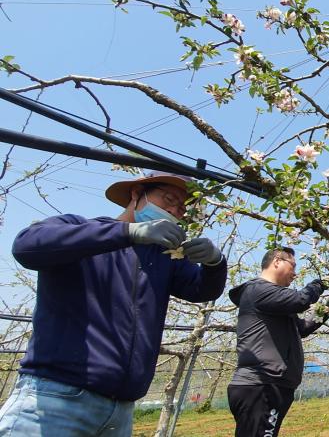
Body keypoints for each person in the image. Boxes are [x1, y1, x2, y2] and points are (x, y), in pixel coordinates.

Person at [0, 171, 227, 436]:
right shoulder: (82, 231)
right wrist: (127, 232)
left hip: (119, 412)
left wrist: (215, 262)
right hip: (55, 400)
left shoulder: (164, 258)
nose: (175, 210)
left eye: (181, 208)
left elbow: (201, 289)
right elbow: (27, 246)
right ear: (136, 194)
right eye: (168, 199)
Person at [227, 247, 329, 437]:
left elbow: (302, 328)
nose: (295, 274)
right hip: (262, 385)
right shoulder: (258, 289)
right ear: (277, 261)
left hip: (270, 386)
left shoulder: (272, 300)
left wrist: (327, 308)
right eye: (293, 266)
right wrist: (319, 284)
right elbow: (301, 299)